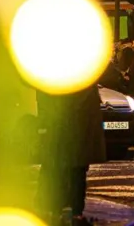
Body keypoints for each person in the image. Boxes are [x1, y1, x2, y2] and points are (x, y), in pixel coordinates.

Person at [36, 83, 105, 226]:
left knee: (69, 172)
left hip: (70, 133)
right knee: (70, 172)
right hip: (70, 133)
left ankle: (63, 212)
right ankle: (67, 212)